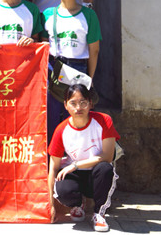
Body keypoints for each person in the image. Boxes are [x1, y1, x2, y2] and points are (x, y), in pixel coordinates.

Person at [48, 83, 119, 232]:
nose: (78, 108)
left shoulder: (103, 121)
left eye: (83, 102)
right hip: (75, 176)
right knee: (62, 187)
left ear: (90, 103)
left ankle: (99, 213)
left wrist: (75, 165)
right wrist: (51, 206)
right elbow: (53, 168)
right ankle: (77, 204)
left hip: (95, 174)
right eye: (73, 103)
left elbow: (107, 156)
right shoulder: (61, 130)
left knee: (106, 169)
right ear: (65, 105)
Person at [43, 0, 102, 140]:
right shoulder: (47, 14)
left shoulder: (89, 15)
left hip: (78, 68)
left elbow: (94, 50)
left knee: (76, 117)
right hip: (53, 70)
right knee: (51, 117)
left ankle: (74, 155)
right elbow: (43, 45)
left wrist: (89, 78)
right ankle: (52, 155)